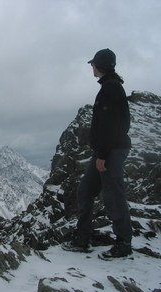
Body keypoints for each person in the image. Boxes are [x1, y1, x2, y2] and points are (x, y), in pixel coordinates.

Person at [62, 48, 133, 259]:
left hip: (109, 152)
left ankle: (123, 243)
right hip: (106, 150)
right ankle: (83, 237)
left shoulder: (110, 89)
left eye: (93, 64)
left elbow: (110, 126)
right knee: (85, 191)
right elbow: (124, 123)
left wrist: (103, 155)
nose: (91, 67)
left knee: (113, 196)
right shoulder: (111, 87)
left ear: (99, 65)